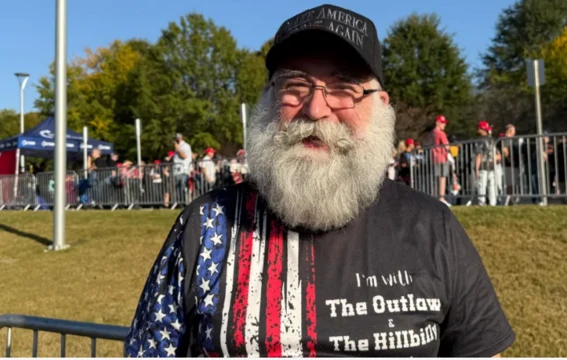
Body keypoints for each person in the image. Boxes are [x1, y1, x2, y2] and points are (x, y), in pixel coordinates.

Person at [125, 4, 514, 357]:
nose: (315, 108)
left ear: (380, 105)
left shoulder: (433, 227)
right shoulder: (207, 224)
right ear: (268, 101)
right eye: (294, 87)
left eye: (344, 89)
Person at [474, 121, 500, 206]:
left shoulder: (480, 140)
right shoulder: (492, 140)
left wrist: (476, 168)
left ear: (482, 129)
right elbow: (497, 154)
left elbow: (479, 155)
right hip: (492, 165)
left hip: (483, 165)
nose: (478, 130)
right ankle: (493, 202)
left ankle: (482, 202)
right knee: (492, 185)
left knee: (482, 185)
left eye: (479, 128)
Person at [428, 115, 450, 206]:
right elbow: (447, 146)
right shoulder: (441, 133)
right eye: (443, 123)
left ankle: (435, 197)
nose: (444, 125)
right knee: (442, 178)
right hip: (441, 158)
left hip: (434, 158)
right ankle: (441, 198)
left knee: (436, 179)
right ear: (437, 122)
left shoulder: (432, 133)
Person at [172, 133, 192, 204]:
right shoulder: (178, 146)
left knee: (182, 186)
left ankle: (183, 202)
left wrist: (178, 149)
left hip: (183, 169)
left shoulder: (185, 146)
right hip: (177, 170)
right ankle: (180, 202)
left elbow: (184, 156)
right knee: (178, 187)